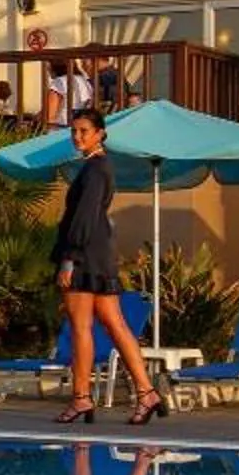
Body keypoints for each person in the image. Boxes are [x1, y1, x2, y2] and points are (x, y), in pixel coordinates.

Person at [54, 106, 162, 425]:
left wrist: (70, 258)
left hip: (85, 255)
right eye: (74, 131)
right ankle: (146, 393)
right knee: (115, 324)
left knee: (82, 327)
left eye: (84, 131)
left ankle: (82, 398)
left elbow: (84, 217)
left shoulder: (95, 170)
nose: (77, 136)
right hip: (98, 252)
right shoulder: (99, 168)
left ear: (100, 133)